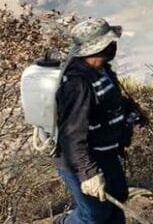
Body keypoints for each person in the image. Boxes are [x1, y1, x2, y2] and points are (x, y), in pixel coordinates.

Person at [54, 18, 145, 224]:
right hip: (82, 159)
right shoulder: (77, 83)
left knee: (117, 201)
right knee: (94, 215)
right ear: (99, 47)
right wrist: (89, 174)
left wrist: (130, 112)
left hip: (106, 152)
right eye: (109, 42)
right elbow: (71, 135)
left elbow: (108, 102)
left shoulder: (102, 70)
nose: (113, 46)